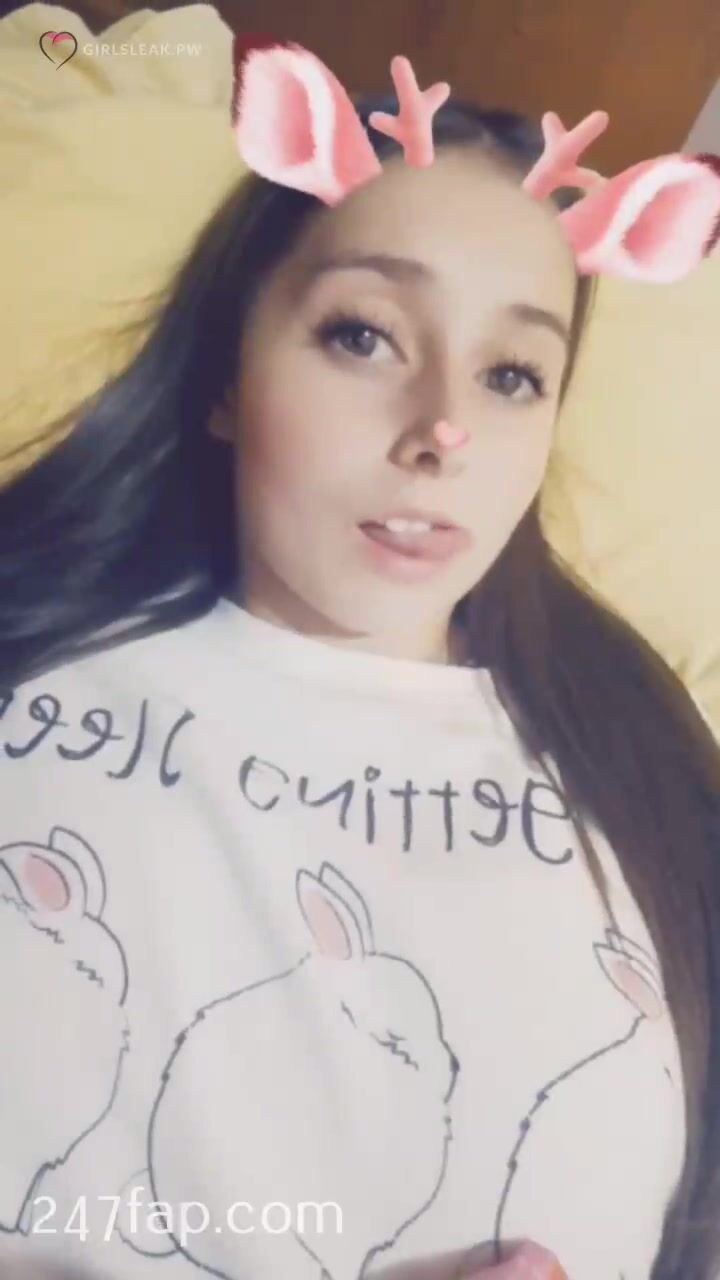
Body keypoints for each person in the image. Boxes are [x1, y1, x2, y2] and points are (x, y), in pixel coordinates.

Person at [0, 40, 719, 1280]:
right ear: (226, 373)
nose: (443, 428)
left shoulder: (650, 764)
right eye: (364, 336)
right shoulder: (36, 664)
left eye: (511, 373)